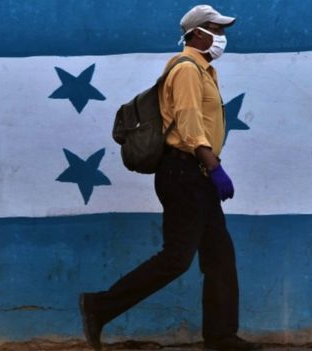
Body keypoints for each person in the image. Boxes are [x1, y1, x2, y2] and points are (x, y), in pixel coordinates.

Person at [79, 5, 254, 351]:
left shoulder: (205, 71)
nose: (222, 36)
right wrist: (214, 167)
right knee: (177, 257)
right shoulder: (187, 69)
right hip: (184, 172)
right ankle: (99, 306)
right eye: (216, 29)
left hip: (196, 173)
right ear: (197, 33)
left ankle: (220, 336)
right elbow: (189, 125)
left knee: (219, 255)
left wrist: (210, 169)